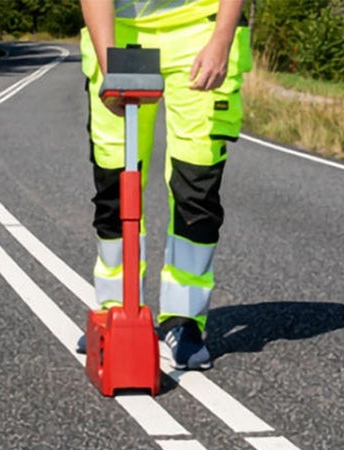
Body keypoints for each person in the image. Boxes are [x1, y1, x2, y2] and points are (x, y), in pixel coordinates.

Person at [74, 0, 251, 371]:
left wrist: (222, 38)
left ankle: (184, 320)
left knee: (196, 185)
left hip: (200, 29)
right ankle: (116, 309)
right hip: (119, 35)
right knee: (116, 183)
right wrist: (110, 66)